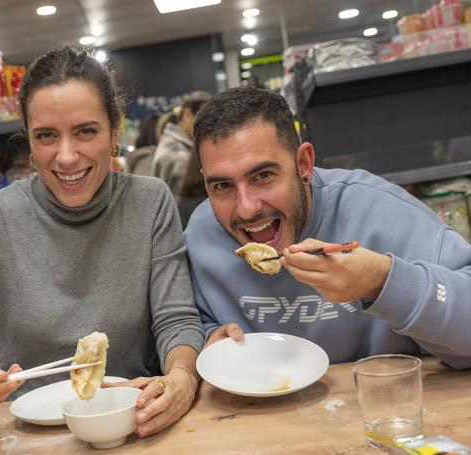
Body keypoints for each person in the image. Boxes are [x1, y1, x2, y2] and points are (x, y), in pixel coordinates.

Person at [0, 47, 205, 437]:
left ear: (115, 131)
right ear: (29, 142)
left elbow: (177, 319)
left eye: (86, 131)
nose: (66, 157)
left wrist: (181, 377)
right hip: (25, 434)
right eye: (47, 136)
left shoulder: (150, 201)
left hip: (130, 420)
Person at [184, 87, 471, 369]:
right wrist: (209, 338)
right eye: (222, 185)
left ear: (304, 163)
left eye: (263, 175)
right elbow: (190, 322)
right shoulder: (200, 235)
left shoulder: (380, 212)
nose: (247, 208)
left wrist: (382, 280)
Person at [151, 91, 211, 197]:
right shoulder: (179, 156)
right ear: (187, 114)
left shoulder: (172, 144)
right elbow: (181, 207)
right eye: (204, 119)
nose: (209, 126)